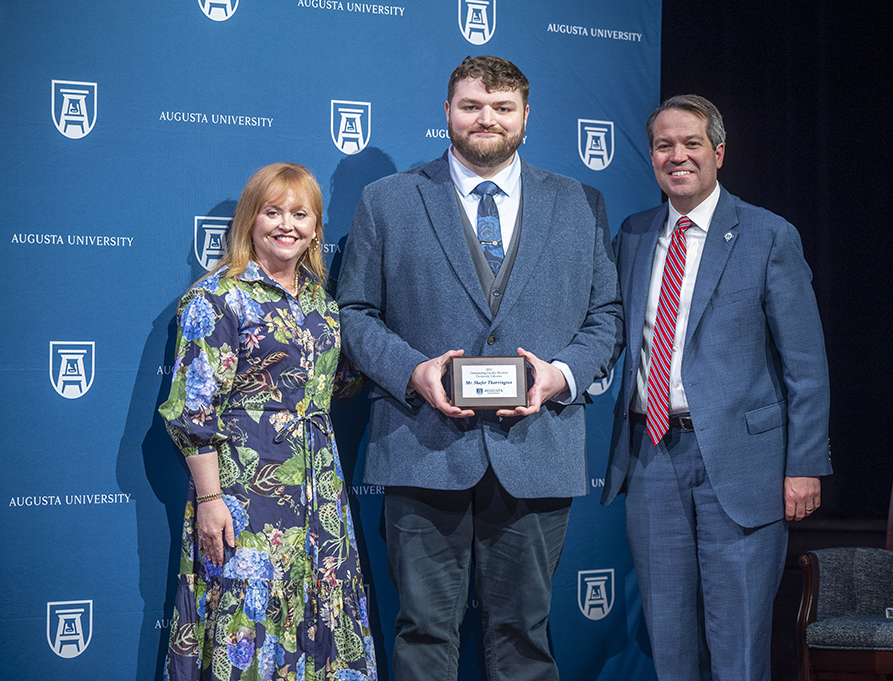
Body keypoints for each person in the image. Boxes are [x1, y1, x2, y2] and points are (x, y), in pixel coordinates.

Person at [335, 56, 622, 680]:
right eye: (471, 106)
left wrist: (561, 377)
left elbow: (607, 317)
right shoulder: (386, 201)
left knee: (525, 637)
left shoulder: (579, 202)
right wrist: (413, 371)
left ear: (526, 117)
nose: (485, 119)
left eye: (502, 108)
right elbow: (353, 312)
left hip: (537, 448)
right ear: (447, 112)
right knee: (423, 632)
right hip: (422, 446)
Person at [602, 95, 831, 680]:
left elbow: (805, 363)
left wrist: (804, 463)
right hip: (652, 454)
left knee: (740, 642)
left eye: (691, 144)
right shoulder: (632, 234)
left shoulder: (768, 235)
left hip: (742, 461)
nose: (677, 156)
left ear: (719, 153)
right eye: (663, 145)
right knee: (669, 642)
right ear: (651, 156)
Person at [159, 163, 377, 681]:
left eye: (300, 214)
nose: (287, 225)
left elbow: (338, 385)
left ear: (316, 227)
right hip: (245, 492)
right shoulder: (216, 298)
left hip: (320, 493)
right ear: (249, 220)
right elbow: (194, 410)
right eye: (272, 211)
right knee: (247, 617)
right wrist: (210, 501)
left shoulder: (323, 304)